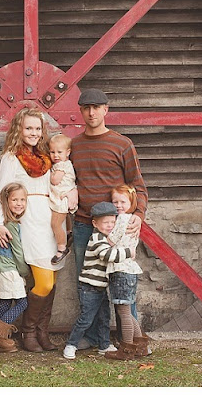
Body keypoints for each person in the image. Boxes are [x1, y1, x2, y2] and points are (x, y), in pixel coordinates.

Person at [68, 88, 148, 350]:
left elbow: (138, 185)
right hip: (84, 225)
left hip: (117, 228)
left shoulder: (122, 144)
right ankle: (96, 337)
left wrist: (138, 213)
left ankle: (132, 339)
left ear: (106, 109)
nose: (91, 112)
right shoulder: (75, 145)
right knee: (91, 284)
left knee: (122, 282)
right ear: (80, 111)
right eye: (86, 107)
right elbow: (68, 179)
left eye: (96, 107)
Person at [0, 108, 65, 352]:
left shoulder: (46, 156)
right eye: (28, 128)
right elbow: (3, 191)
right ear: (19, 130)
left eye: (37, 128)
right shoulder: (11, 158)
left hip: (50, 219)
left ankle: (42, 332)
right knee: (42, 282)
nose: (33, 133)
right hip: (28, 221)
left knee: (50, 280)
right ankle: (28, 331)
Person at [62, 201, 135, 360]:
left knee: (104, 317)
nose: (109, 226)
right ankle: (71, 344)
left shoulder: (107, 238)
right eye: (105, 223)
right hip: (89, 288)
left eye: (112, 222)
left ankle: (104, 344)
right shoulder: (97, 239)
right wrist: (129, 252)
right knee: (86, 319)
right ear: (95, 223)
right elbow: (107, 256)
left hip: (101, 288)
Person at [104, 184, 151, 361]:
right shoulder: (131, 219)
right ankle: (141, 347)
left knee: (123, 312)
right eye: (115, 201)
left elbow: (111, 240)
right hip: (128, 268)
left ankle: (127, 349)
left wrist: (101, 236)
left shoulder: (123, 219)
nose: (118, 205)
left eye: (122, 201)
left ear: (131, 202)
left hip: (121, 268)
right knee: (127, 311)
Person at [0, 182, 31, 352]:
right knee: (22, 303)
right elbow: (18, 254)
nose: (19, 203)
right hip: (9, 271)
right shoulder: (11, 225)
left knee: (5, 303)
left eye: (23, 200)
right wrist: (25, 272)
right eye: (15, 200)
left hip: (0, 269)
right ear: (6, 202)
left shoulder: (6, 223)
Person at [47, 133, 78, 265]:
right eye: (52, 152)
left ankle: (62, 248)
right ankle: (69, 232)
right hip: (63, 196)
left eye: (59, 152)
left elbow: (55, 180)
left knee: (55, 223)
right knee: (65, 218)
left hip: (61, 198)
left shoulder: (62, 166)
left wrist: (50, 173)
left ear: (68, 152)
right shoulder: (65, 163)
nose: (56, 155)